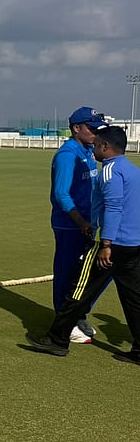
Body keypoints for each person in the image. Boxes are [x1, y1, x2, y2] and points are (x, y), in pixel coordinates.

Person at [27, 126, 140, 362]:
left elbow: (114, 207)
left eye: (97, 144)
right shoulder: (132, 170)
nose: (94, 148)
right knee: (132, 297)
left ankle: (58, 339)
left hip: (113, 243)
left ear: (106, 147)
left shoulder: (110, 171)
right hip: (133, 244)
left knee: (78, 290)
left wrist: (106, 243)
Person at [48, 107, 109, 343]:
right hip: (70, 225)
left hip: (89, 224)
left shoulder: (89, 152)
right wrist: (80, 221)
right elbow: (61, 194)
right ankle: (63, 321)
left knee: (94, 272)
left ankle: (78, 312)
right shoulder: (67, 155)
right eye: (91, 129)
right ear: (76, 128)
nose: (96, 134)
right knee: (66, 273)